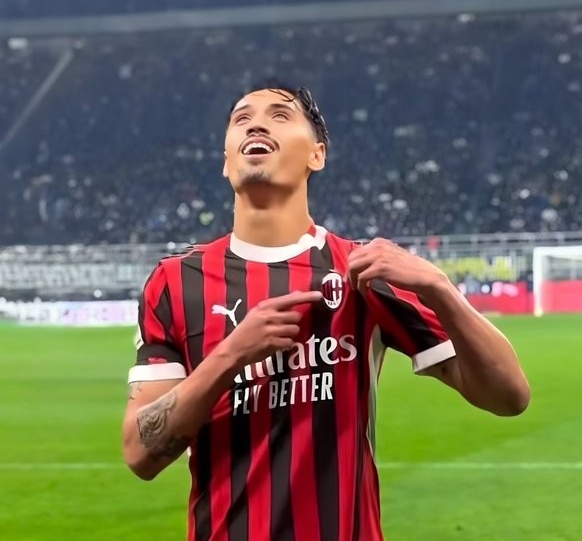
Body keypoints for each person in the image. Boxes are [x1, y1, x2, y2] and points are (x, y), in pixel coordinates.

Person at [122, 82, 530, 541]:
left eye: (280, 115)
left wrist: (440, 288)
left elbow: (509, 397)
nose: (256, 125)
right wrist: (230, 355)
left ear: (316, 155)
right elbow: (140, 453)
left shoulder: (364, 270)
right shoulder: (175, 283)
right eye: (242, 118)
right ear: (226, 161)